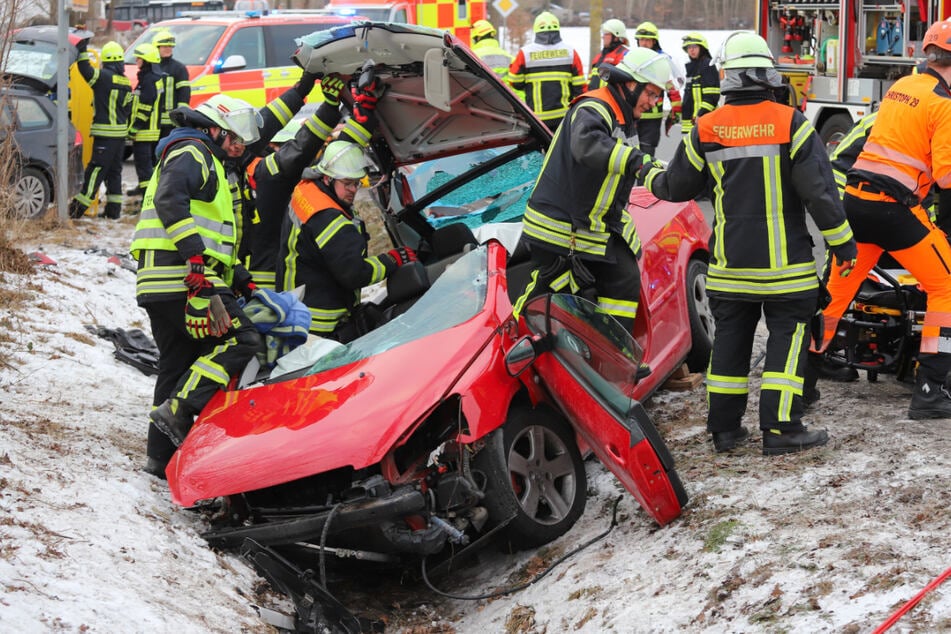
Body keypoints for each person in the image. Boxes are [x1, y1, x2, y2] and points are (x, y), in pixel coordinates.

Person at [638, 31, 857, 455]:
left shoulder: (706, 127)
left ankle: (724, 431)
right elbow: (821, 194)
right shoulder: (790, 122)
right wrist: (843, 245)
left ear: (727, 78)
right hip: (785, 272)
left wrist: (645, 171)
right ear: (766, 74)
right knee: (786, 344)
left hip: (728, 268)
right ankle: (781, 430)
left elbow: (676, 185)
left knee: (730, 349)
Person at [815, 20, 951, 420]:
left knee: (836, 296)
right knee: (945, 286)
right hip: (895, 211)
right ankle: (931, 390)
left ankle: (804, 376)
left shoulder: (903, 87)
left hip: (856, 204)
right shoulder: (944, 102)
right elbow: (945, 177)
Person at [131, 94, 265, 477]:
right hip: (185, 277)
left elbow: (212, 236)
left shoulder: (206, 159)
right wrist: (194, 260)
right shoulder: (192, 151)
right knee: (242, 339)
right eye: (234, 139)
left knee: (177, 365)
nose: (239, 148)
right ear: (214, 130)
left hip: (163, 278)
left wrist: (240, 277)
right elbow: (169, 200)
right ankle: (178, 411)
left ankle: (159, 461)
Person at [512, 47, 673, 334]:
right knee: (544, 297)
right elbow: (588, 146)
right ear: (630, 84)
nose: (654, 102)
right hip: (558, 228)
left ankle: (613, 354)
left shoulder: (623, 116)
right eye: (651, 93)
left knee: (623, 278)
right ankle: (510, 340)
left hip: (587, 228)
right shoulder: (594, 108)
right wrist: (640, 164)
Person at [275, 139, 418, 343]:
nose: (353, 189)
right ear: (327, 179)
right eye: (348, 183)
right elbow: (355, 274)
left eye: (357, 183)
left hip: (294, 308)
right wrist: (393, 260)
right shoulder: (329, 219)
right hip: (321, 323)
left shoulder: (306, 191)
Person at [245, 74, 378, 289]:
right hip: (273, 280)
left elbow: (336, 160)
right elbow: (300, 150)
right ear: (274, 147)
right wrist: (330, 106)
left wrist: (363, 118)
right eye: (283, 146)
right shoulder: (269, 176)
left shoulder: (262, 174)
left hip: (273, 275)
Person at [68, 40, 132, 220]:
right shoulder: (126, 82)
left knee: (94, 172)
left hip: (105, 136)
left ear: (105, 60)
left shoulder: (103, 77)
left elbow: (85, 70)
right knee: (114, 173)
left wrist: (81, 49)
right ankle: (113, 212)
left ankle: (76, 210)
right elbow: (128, 109)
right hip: (120, 137)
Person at [508, 11, 586, 131]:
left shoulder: (526, 53)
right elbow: (580, 88)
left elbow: (515, 82)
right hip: (564, 117)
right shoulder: (570, 53)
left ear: (536, 30)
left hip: (536, 118)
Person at [632, 21, 682, 156]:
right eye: (641, 39)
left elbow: (672, 88)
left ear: (654, 41)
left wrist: (675, 111)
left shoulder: (663, 60)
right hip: (633, 114)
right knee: (629, 151)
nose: (644, 43)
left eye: (648, 40)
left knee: (647, 154)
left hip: (652, 117)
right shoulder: (631, 57)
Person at [127, 42, 165, 198]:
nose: (136, 60)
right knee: (148, 167)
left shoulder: (148, 79)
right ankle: (148, 199)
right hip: (152, 130)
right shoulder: (153, 78)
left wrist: (135, 127)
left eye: (139, 58)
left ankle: (146, 202)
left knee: (144, 169)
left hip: (144, 131)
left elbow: (145, 106)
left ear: (146, 60)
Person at [152, 29, 191, 140]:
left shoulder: (179, 68)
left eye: (170, 46)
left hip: (170, 121)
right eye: (164, 46)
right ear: (156, 47)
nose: (168, 49)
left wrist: (180, 116)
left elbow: (184, 93)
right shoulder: (151, 67)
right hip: (153, 121)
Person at [679, 32, 720, 137]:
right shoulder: (692, 68)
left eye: (694, 47)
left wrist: (700, 114)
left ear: (702, 48)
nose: (691, 50)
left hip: (703, 121)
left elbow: (712, 96)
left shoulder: (707, 65)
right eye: (688, 47)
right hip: (692, 123)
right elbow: (689, 97)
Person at [587, 19, 629, 91]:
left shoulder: (624, 56)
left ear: (616, 37)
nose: (603, 37)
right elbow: (590, 81)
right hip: (595, 98)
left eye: (606, 34)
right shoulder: (598, 57)